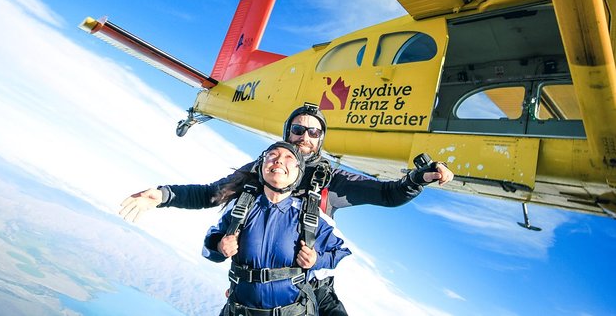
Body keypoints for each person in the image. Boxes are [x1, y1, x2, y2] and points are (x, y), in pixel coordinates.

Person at [120, 103, 454, 315]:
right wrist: (162, 194)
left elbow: (387, 193)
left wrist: (417, 179)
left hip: (314, 290)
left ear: (321, 140)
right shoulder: (262, 170)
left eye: (314, 131)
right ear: (286, 134)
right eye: (298, 129)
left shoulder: (330, 177)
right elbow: (211, 194)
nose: (304, 136)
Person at [203, 141, 351, 316]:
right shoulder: (241, 206)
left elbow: (341, 251)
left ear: (298, 173)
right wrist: (219, 246)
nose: (279, 160)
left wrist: (316, 260)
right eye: (272, 155)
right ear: (262, 165)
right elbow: (207, 249)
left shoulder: (311, 216)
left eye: (289, 157)